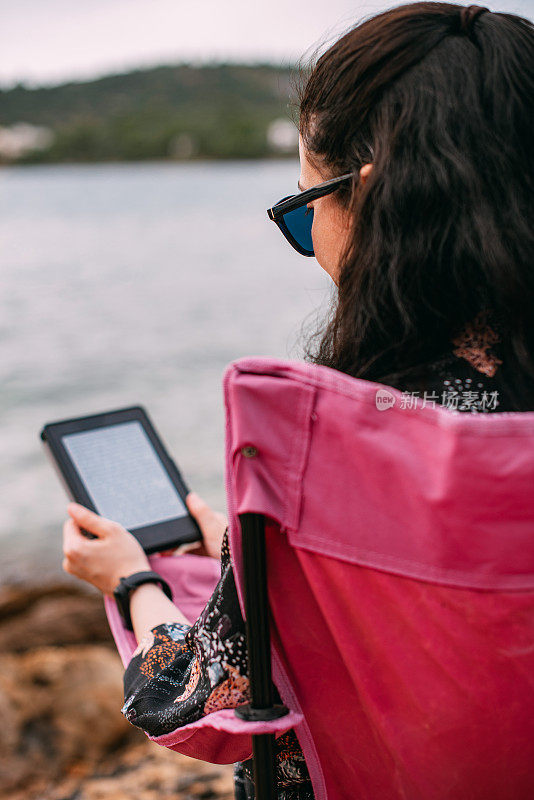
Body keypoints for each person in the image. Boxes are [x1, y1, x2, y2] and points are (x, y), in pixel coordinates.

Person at [62, 2, 534, 797]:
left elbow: (191, 702)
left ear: (379, 199)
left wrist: (134, 580)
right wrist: (245, 548)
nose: (308, 236)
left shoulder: (336, 449)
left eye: (304, 207)